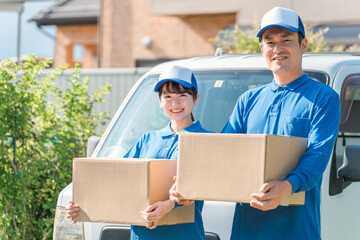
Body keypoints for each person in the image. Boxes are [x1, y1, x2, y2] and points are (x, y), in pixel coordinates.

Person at [221, 7, 341, 240]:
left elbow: (317, 157)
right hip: (247, 230)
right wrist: (189, 186)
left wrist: (286, 187)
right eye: (270, 42)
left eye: (286, 40)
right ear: (262, 49)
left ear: (303, 45)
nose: (278, 49)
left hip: (296, 230)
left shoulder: (323, 98)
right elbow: (224, 149)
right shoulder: (248, 100)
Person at [67, 65, 210, 240]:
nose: (175, 103)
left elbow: (204, 184)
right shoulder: (147, 140)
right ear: (160, 101)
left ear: (195, 99)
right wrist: (83, 205)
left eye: (182, 96)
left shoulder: (206, 140)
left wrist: (168, 205)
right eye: (168, 97)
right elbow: (119, 180)